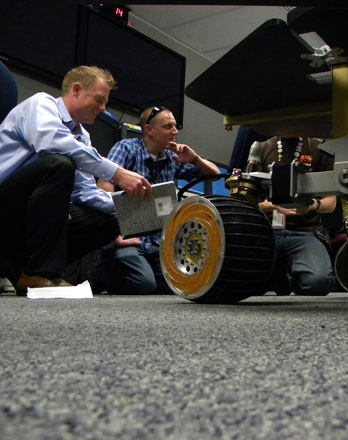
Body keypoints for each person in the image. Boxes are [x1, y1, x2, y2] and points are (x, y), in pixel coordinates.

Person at [0, 65, 152, 296]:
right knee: (59, 164)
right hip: (5, 206)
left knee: (114, 219)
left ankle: (24, 266)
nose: (102, 109)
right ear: (77, 90)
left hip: (27, 221)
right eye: (99, 100)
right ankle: (39, 273)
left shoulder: (81, 136)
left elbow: (85, 192)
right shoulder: (41, 104)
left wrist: (137, 207)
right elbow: (51, 142)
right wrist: (117, 173)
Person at [94, 106, 220, 294]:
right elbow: (104, 185)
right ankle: (101, 273)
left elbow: (214, 174)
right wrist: (115, 235)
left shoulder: (170, 158)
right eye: (168, 126)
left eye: (175, 127)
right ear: (149, 130)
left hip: (156, 243)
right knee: (144, 285)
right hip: (128, 239)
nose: (175, 132)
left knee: (181, 285)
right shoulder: (127, 148)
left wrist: (194, 158)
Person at [254, 136, 337, 296]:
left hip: (305, 231)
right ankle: (278, 278)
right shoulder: (261, 148)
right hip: (266, 233)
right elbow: (250, 202)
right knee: (243, 282)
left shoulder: (320, 148)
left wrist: (312, 205)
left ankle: (287, 279)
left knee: (318, 283)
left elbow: (331, 203)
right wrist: (275, 205)